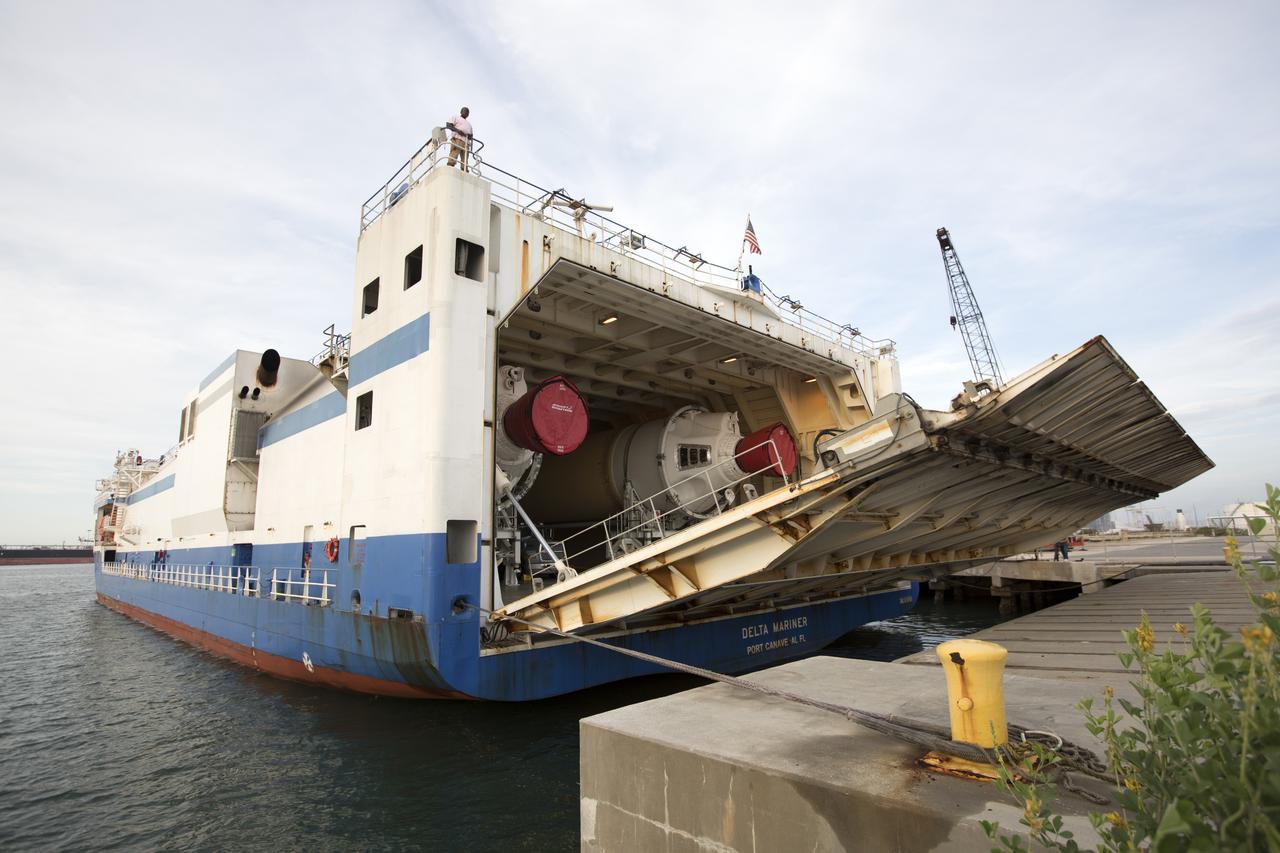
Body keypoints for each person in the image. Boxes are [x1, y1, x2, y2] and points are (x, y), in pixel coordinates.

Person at [446, 106, 473, 171]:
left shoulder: (469, 124)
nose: (466, 113)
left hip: (466, 142)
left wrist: (469, 136)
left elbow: (471, 135)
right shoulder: (456, 117)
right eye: (465, 111)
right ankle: (450, 165)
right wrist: (458, 131)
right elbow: (448, 125)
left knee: (465, 157)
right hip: (457, 138)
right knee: (454, 152)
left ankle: (464, 169)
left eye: (467, 112)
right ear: (461, 111)